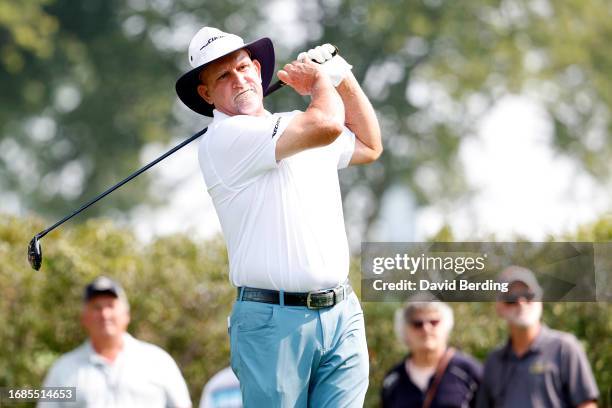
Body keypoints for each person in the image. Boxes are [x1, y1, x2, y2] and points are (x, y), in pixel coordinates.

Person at [175, 27, 382, 407]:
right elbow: (326, 124)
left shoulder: (295, 126)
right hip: (272, 323)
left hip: (342, 312)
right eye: (223, 76)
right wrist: (320, 81)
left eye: (242, 67)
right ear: (206, 94)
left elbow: (369, 145)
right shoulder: (225, 139)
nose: (239, 80)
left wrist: (342, 75)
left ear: (257, 68)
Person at [39, 276, 192, 408]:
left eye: (111, 306)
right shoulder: (63, 370)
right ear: (84, 318)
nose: (105, 314)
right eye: (96, 308)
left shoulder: (158, 362)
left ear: (126, 315)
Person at [476, 266, 600, 408]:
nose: (521, 303)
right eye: (512, 298)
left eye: (528, 296)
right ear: (499, 307)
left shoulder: (565, 348)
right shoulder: (493, 361)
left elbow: (586, 405)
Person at [381, 300, 482, 408]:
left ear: (447, 326)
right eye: (417, 324)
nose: (426, 328)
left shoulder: (469, 371)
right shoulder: (392, 379)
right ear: (404, 331)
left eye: (434, 322)